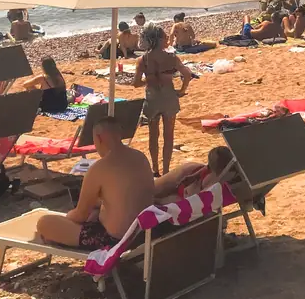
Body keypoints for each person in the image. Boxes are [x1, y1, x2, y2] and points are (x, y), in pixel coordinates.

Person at [35, 116, 158, 250]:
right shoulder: (140, 157)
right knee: (95, 209)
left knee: (44, 223)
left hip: (114, 240)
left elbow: (80, 215)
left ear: (99, 138)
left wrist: (67, 218)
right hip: (143, 233)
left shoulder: (100, 168)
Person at [133, 25, 191, 176]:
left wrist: (150, 79)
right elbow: (187, 74)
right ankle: (166, 170)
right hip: (169, 97)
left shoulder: (143, 60)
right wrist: (182, 90)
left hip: (152, 98)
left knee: (154, 135)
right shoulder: (171, 58)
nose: (167, 39)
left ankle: (155, 169)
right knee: (169, 135)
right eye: (165, 37)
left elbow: (136, 83)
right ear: (157, 40)